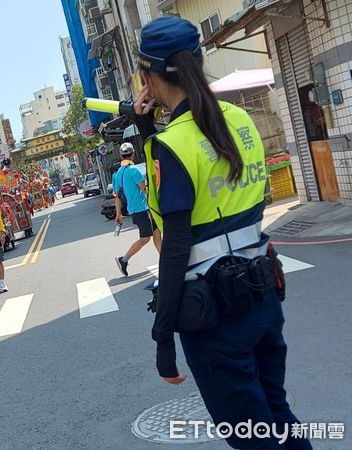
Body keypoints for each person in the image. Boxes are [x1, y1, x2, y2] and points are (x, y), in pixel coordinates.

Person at [135, 17, 311, 449]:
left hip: (216, 314)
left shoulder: (171, 144)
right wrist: (147, 132)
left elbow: (175, 249)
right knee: (277, 416)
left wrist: (163, 340)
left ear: (148, 77)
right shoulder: (240, 118)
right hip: (263, 292)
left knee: (252, 437)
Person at [113, 142, 162, 276]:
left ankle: (164, 260)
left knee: (157, 233)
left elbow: (117, 196)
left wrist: (118, 214)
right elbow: (145, 190)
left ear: (121, 155)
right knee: (145, 237)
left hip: (136, 210)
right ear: (133, 153)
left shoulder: (118, 174)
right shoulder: (134, 170)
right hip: (142, 209)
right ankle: (124, 259)